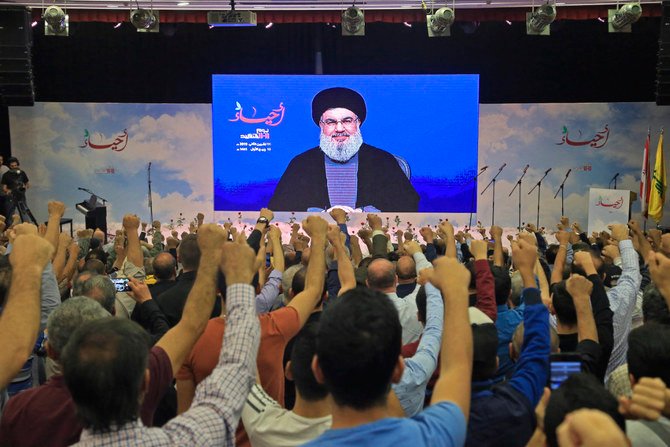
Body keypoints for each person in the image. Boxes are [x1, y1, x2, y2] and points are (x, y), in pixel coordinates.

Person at [303, 256, 472, 446]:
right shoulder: (433, 437)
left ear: (318, 370)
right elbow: (453, 361)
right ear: (399, 369)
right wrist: (452, 290)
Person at [268, 87, 419, 212]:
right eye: (331, 122)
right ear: (321, 125)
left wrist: (362, 213)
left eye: (347, 121)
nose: (339, 129)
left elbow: (407, 205)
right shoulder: (301, 164)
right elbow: (280, 209)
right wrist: (322, 215)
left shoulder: (383, 161)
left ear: (358, 123)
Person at [1, 157, 32, 222]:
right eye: (12, 166)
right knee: (10, 214)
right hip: (11, 197)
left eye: (15, 165)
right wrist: (8, 191)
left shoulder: (22, 173)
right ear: (9, 166)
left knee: (24, 212)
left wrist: (25, 187)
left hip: (21, 196)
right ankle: (10, 229)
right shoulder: (6, 175)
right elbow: (4, 188)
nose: (14, 167)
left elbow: (27, 184)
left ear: (18, 165)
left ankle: (27, 227)